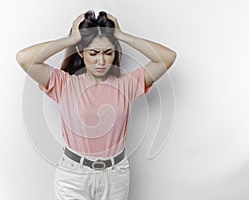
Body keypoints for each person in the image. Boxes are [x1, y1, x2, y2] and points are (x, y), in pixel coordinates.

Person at [16, 10, 176, 200]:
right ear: (81, 52)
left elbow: (167, 57)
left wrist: (121, 35)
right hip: (73, 176)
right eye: (93, 53)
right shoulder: (65, 84)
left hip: (115, 176)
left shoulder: (126, 84)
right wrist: (72, 39)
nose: (101, 61)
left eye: (108, 53)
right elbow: (24, 58)